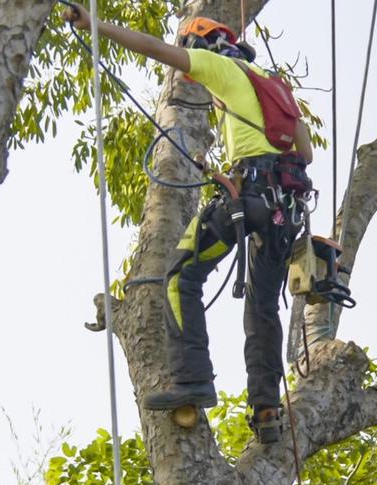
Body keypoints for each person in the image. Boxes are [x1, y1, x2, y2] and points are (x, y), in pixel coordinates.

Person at [61, 2, 316, 444]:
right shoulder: (275, 89)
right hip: (283, 213)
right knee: (262, 307)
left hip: (251, 202)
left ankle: (192, 379)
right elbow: (305, 155)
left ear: (204, 46)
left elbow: (156, 50)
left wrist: (94, 24)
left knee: (181, 276)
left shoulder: (222, 67)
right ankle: (267, 408)